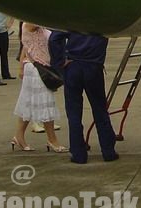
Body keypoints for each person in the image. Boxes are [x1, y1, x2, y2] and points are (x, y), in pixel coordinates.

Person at [49, 30, 118, 164]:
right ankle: (108, 151)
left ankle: (78, 153)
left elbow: (54, 39)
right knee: (100, 110)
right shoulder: (101, 19)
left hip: (73, 65)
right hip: (93, 66)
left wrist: (59, 61)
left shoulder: (74, 18)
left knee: (74, 113)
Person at [11, 22, 66, 153]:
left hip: (38, 67)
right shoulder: (30, 23)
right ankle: (52, 140)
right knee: (46, 103)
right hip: (37, 68)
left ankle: (18, 136)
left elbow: (25, 47)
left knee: (28, 103)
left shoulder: (35, 28)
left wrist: (21, 65)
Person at [0, 10, 16, 80]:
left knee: (4, 54)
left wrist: (10, 23)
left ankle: (6, 74)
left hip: (3, 31)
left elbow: (13, 14)